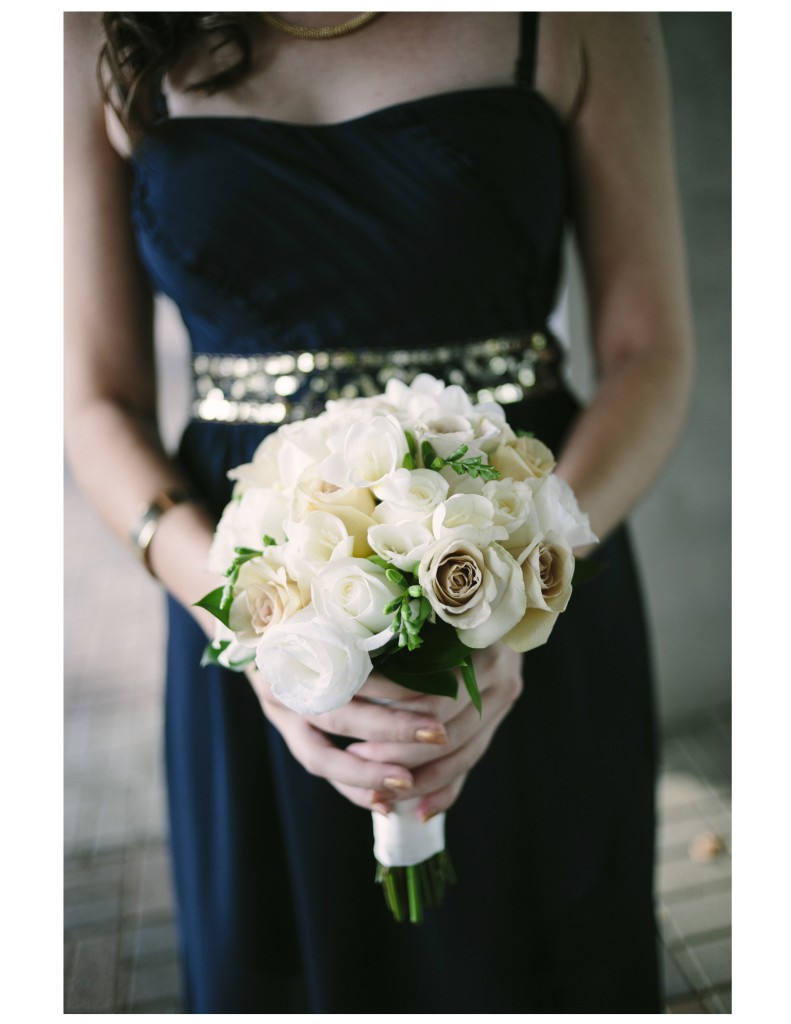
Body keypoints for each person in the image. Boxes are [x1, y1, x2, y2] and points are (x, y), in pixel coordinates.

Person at [64, 11, 694, 1013]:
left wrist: (527, 573)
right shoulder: (101, 32)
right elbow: (98, 399)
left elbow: (647, 352)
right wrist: (246, 619)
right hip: (245, 592)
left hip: (528, 577)